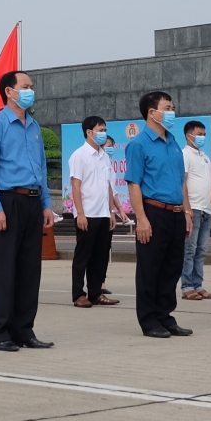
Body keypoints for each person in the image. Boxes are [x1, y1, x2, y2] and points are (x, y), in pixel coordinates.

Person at [0, 70, 55, 351]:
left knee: (29, 270)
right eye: (25, 86)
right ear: (9, 92)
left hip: (33, 202)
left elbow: (41, 169)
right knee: (4, 270)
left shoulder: (33, 126)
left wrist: (46, 204)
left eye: (32, 86)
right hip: (7, 202)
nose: (30, 90)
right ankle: (0, 333)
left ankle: (24, 330)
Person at [126, 92, 192, 339]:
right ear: (152, 112)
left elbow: (181, 180)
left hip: (175, 213)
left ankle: (166, 316)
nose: (172, 111)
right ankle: (149, 320)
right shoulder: (139, 144)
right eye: (167, 107)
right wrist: (141, 219)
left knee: (171, 269)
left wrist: (186, 211)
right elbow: (134, 184)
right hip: (153, 211)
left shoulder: (173, 141)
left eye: (173, 106)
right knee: (150, 269)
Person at [68, 117, 123, 308]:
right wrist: (80, 214)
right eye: (100, 130)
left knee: (100, 256)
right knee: (83, 255)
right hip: (87, 213)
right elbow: (76, 186)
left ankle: (96, 293)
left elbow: (108, 185)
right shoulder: (79, 155)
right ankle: (78, 294)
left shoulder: (105, 156)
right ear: (89, 132)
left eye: (105, 129)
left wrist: (112, 212)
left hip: (103, 213)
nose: (103, 133)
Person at [180, 119, 211, 302]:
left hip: (205, 209)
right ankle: (187, 286)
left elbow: (208, 183)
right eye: (199, 134)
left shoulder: (204, 156)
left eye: (204, 134)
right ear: (189, 135)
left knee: (201, 250)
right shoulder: (184, 154)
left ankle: (198, 284)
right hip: (193, 208)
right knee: (190, 250)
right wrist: (187, 210)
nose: (202, 137)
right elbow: (182, 183)